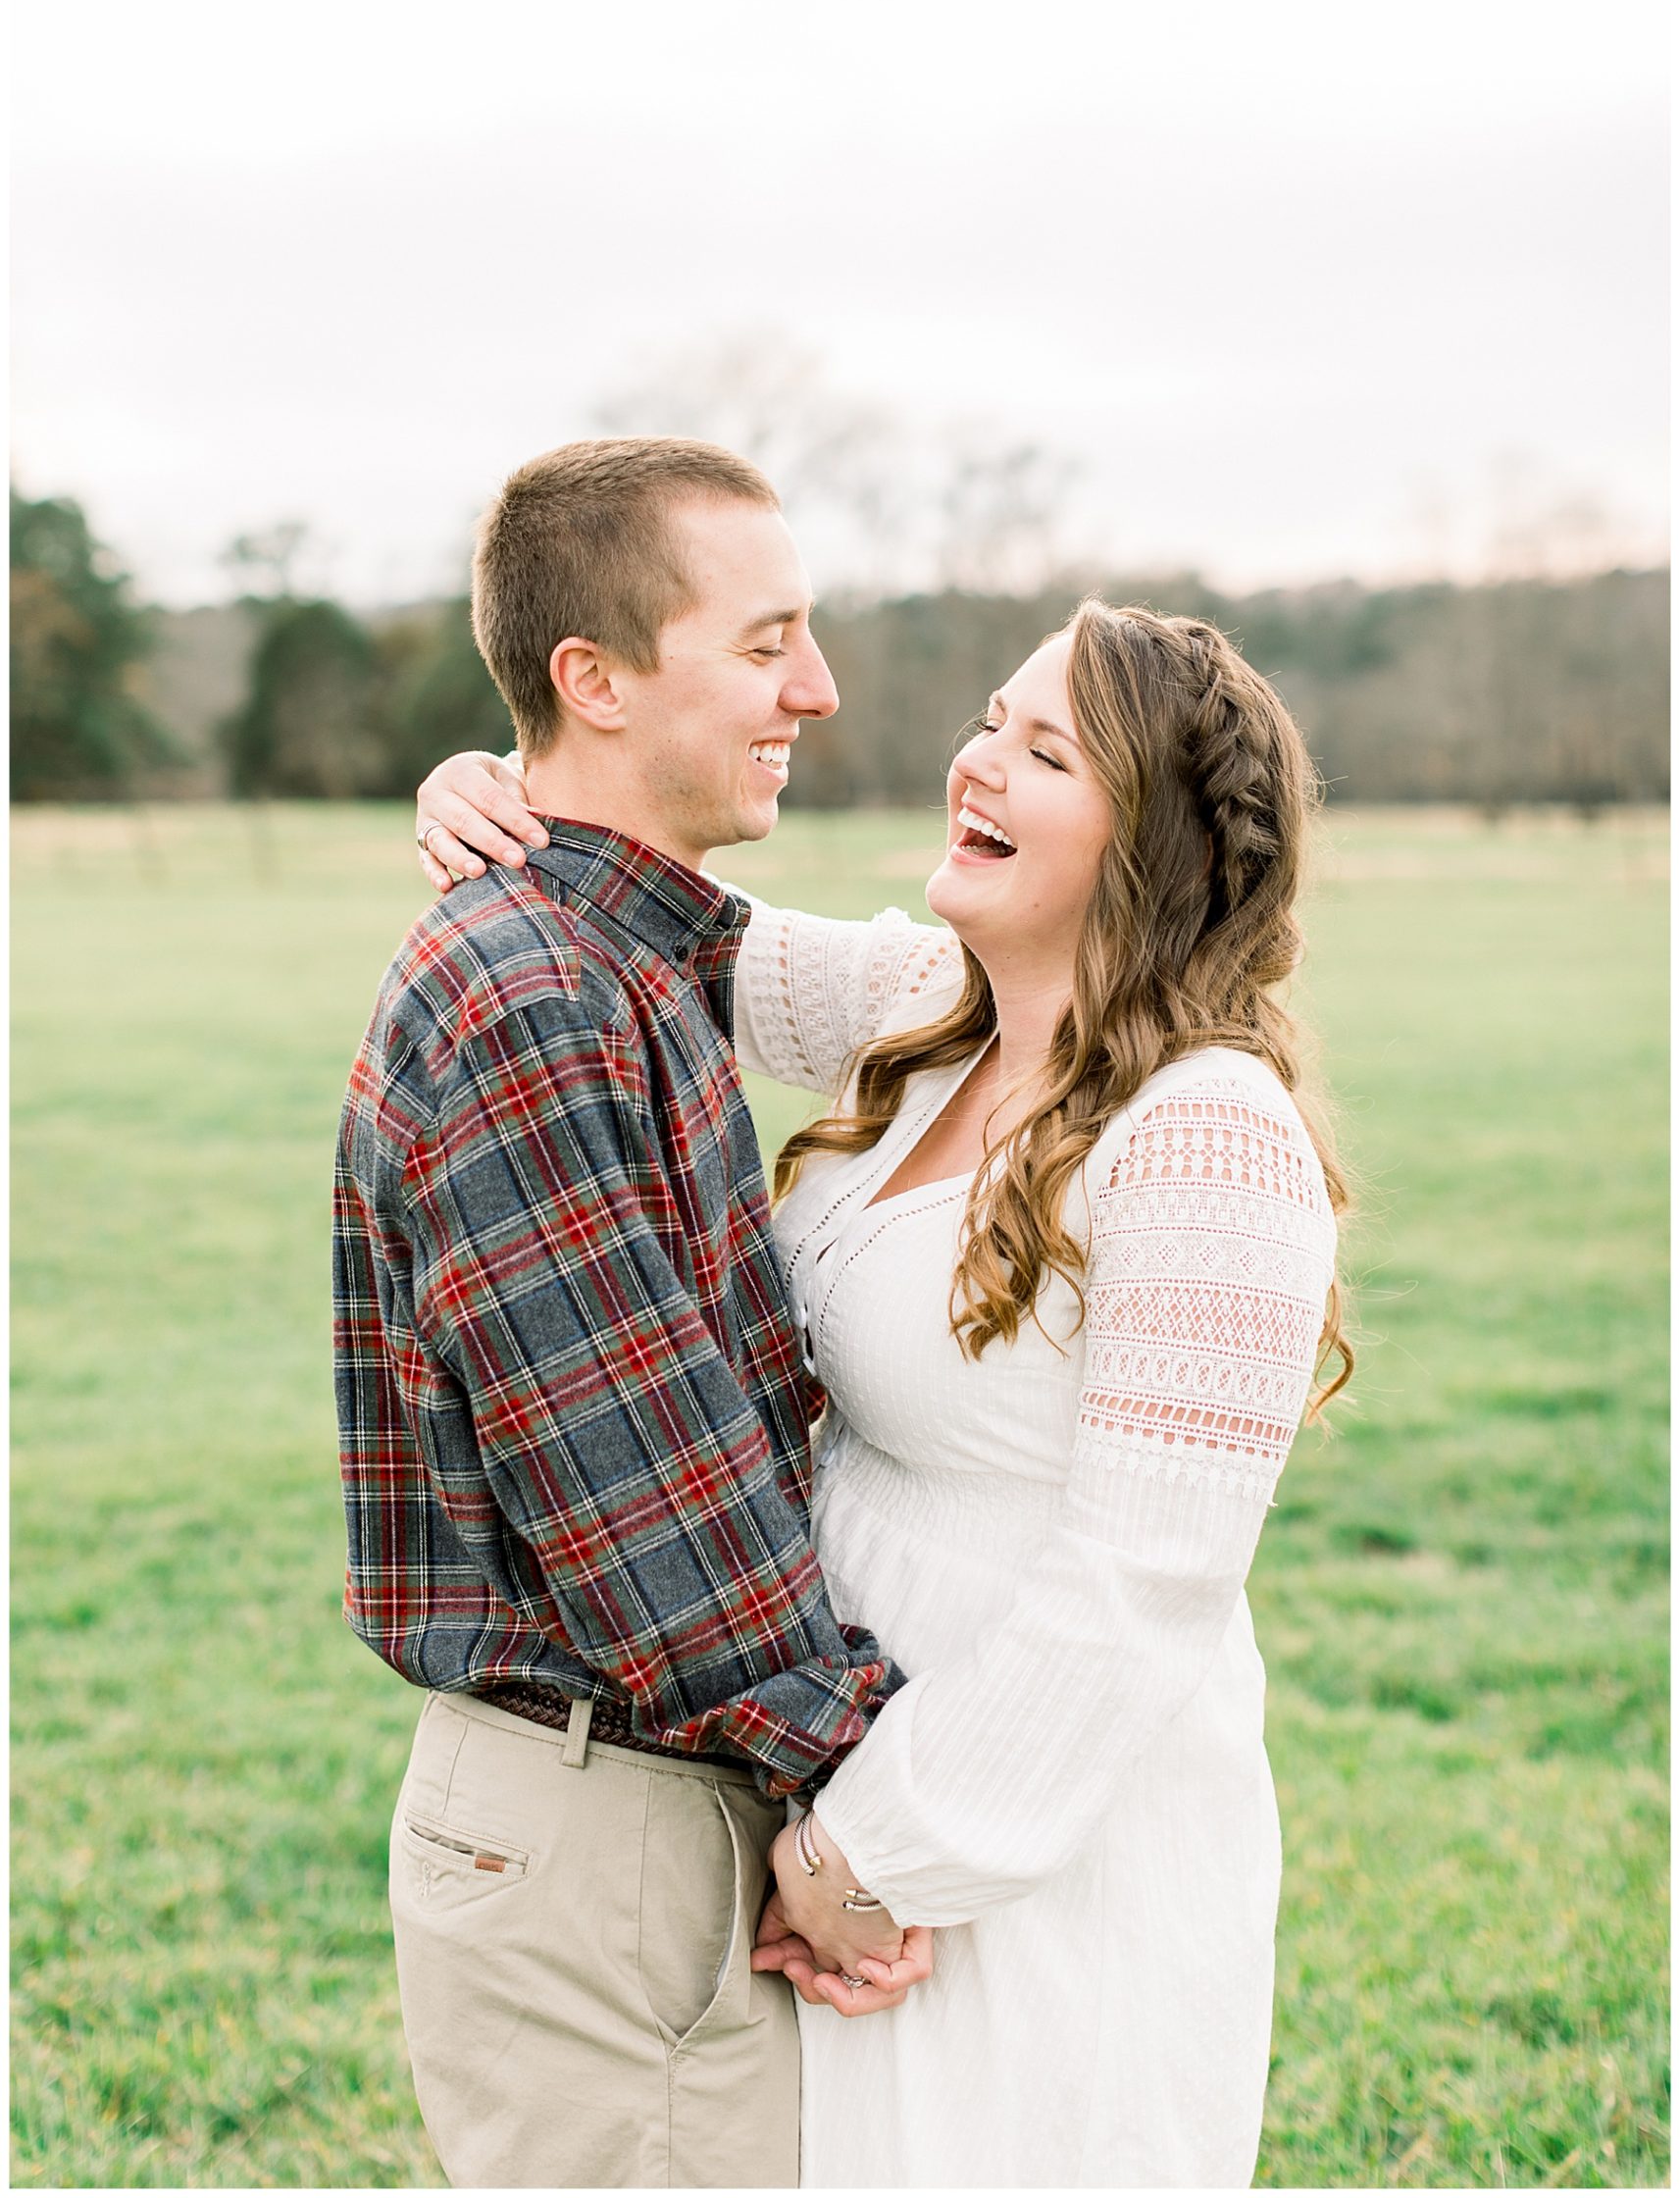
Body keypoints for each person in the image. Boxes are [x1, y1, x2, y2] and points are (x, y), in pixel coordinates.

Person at [417, 587, 1352, 2187]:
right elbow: (642, 916)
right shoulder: (928, 1014)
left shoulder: (1206, 1133)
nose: (974, 764)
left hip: (1031, 1825)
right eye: (989, 721)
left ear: (1149, 846)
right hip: (831, 1775)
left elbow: (1148, 1583)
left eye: (1043, 751)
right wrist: (490, 794)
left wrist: (879, 1859)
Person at [333, 436, 934, 2195]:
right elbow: (641, 1496)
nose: (812, 689)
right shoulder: (535, 993)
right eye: (764, 643)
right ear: (591, 681)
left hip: (642, 1804)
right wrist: (875, 1815)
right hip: (607, 1823)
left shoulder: (621, 955)